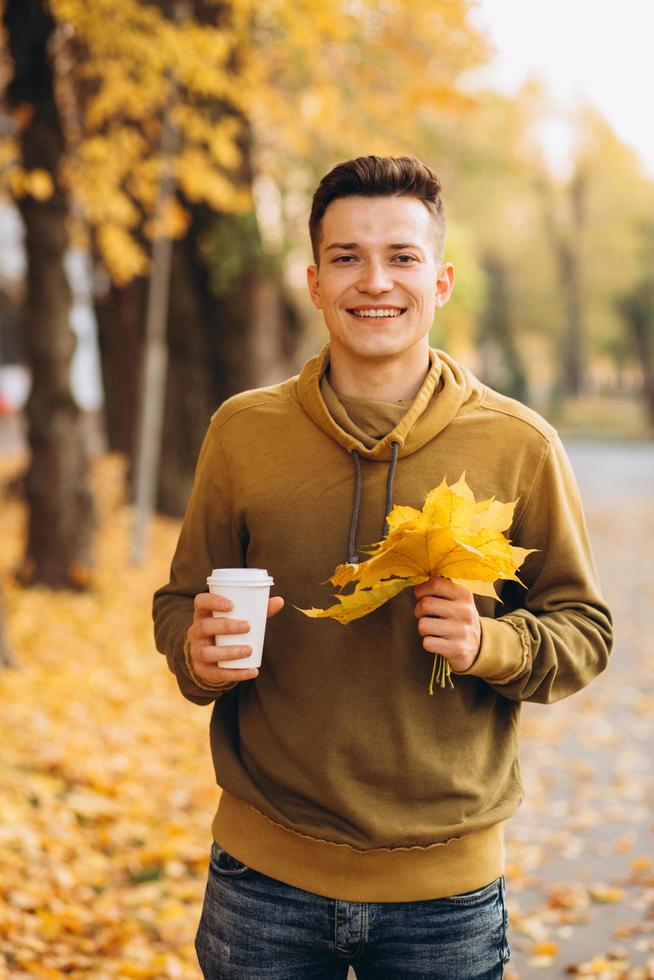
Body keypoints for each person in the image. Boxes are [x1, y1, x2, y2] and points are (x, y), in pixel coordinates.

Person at [153, 155, 612, 979]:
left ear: (439, 281)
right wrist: (195, 650)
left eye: (401, 257)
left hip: (447, 894)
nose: (376, 281)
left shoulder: (517, 444)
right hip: (263, 879)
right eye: (346, 257)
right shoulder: (242, 433)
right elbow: (181, 600)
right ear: (315, 282)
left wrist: (489, 647)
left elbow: (586, 629)